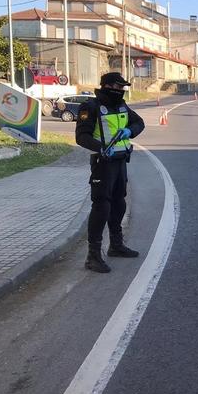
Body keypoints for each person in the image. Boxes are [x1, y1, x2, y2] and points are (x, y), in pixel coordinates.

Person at [76, 72, 145, 273]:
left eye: (123, 87)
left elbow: (139, 123)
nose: (121, 90)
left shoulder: (122, 106)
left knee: (119, 204)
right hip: (102, 163)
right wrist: (101, 148)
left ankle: (116, 245)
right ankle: (93, 256)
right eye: (118, 86)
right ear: (107, 86)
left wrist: (129, 131)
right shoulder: (91, 107)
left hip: (120, 162)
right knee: (101, 207)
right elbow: (81, 136)